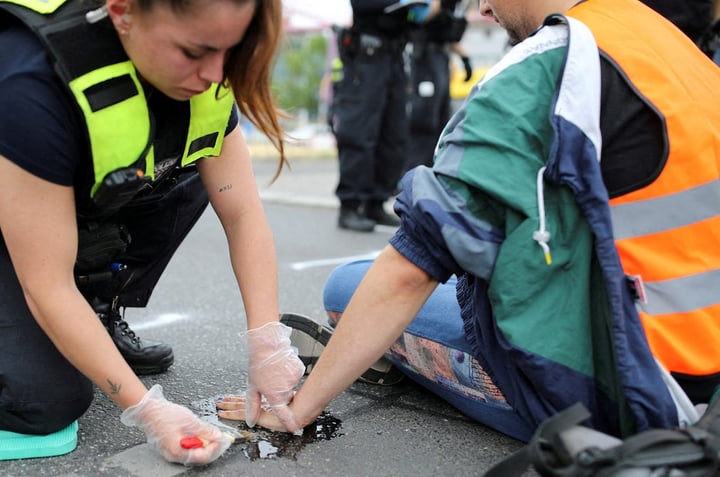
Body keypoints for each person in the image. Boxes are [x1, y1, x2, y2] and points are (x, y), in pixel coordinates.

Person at [218, 0, 720, 445]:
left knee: (347, 289)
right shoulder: (670, 43)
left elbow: (410, 270)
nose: (481, 9)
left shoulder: (545, 65)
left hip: (637, 402)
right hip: (703, 374)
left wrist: (296, 409)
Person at [0, 0, 305, 466]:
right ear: (123, 13)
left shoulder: (204, 68)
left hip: (52, 213)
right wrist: (146, 408)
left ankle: (94, 315)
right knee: (41, 396)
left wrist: (268, 343)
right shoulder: (29, 78)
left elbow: (241, 212)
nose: (215, 74)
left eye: (230, 51)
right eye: (194, 51)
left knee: (180, 174)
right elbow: (47, 285)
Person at [331, 0, 428, 232]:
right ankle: (351, 205)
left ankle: (376, 202)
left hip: (394, 55)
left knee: (394, 134)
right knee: (359, 131)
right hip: (366, 58)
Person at [406, 0, 472, 172]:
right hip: (424, 61)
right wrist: (439, 4)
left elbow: (446, 35)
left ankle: (435, 172)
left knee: (442, 120)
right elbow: (420, 20)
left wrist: (465, 58)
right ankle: (415, 173)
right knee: (424, 120)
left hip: (440, 59)